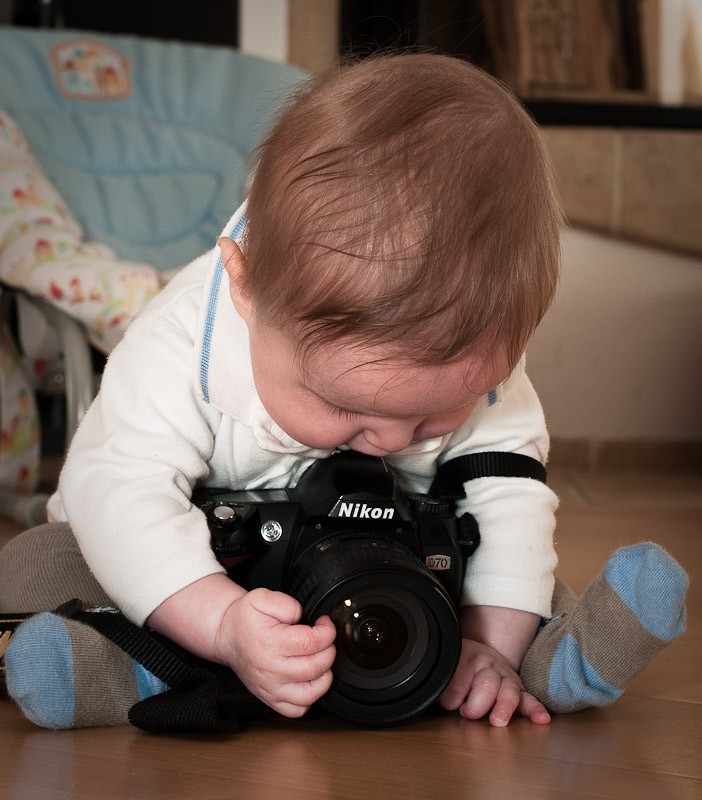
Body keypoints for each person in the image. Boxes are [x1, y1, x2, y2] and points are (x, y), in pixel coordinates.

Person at [0, 53, 687, 730]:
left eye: (432, 417)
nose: (391, 441)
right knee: (43, 563)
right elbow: (119, 493)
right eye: (344, 406)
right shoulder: (181, 345)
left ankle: (539, 664)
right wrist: (221, 621)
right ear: (247, 294)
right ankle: (142, 662)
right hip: (196, 562)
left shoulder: (480, 360)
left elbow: (509, 503)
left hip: (390, 567)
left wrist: (486, 643)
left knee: (513, 579)